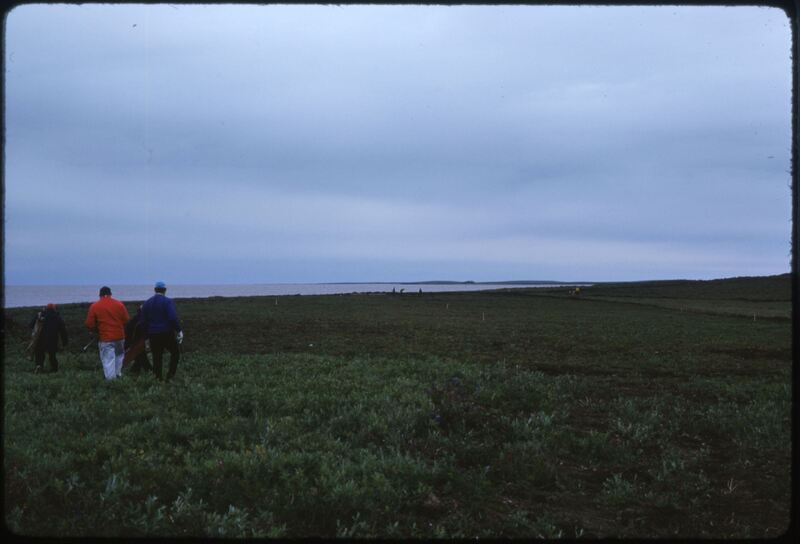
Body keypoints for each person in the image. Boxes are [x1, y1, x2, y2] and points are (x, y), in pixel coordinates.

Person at [85, 286, 130, 380]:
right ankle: (118, 375)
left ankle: (111, 384)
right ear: (110, 294)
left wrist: (96, 330)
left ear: (100, 295)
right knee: (119, 357)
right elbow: (126, 320)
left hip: (106, 338)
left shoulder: (95, 306)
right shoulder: (119, 304)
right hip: (120, 337)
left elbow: (89, 324)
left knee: (108, 360)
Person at [141, 281, 183, 381]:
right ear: (165, 290)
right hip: (166, 333)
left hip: (153, 334)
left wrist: (146, 336)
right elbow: (172, 318)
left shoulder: (147, 303)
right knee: (175, 353)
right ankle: (170, 375)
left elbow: (143, 322)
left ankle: (158, 378)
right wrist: (179, 330)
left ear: (155, 290)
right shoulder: (168, 301)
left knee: (157, 356)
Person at [29, 303, 68, 373]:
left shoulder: (40, 315)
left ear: (46, 308)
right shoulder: (57, 317)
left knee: (39, 354)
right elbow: (63, 331)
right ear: (54, 309)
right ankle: (54, 369)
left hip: (40, 339)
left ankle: (39, 366)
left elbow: (31, 325)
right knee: (52, 355)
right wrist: (65, 342)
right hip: (52, 340)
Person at [124, 304, 152, 374]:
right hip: (137, 343)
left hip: (132, 342)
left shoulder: (134, 319)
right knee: (141, 357)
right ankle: (149, 372)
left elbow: (127, 331)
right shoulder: (143, 321)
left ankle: (135, 372)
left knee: (139, 358)